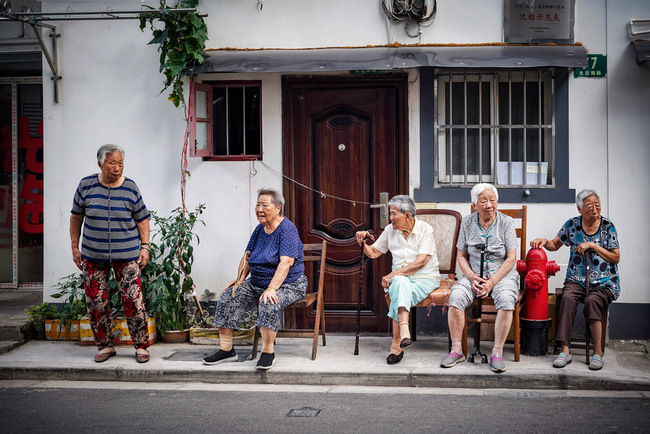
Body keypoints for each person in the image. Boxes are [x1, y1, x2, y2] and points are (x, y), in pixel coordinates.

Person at [203, 188, 307, 370]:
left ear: (278, 208)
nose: (259, 209)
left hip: (288, 285)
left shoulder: (288, 229)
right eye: (257, 205)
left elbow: (286, 263)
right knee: (229, 296)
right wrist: (240, 279)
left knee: (268, 302)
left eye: (264, 205)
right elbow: (248, 256)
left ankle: (267, 352)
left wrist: (271, 289)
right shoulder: (260, 229)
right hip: (257, 282)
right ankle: (227, 350)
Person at [70, 144, 151, 363]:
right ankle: (105, 346)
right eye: (112, 163)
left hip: (127, 256)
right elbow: (76, 217)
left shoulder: (130, 188)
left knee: (134, 300)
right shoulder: (86, 185)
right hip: (93, 256)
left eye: (120, 163)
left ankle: (141, 347)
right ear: (100, 164)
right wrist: (75, 247)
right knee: (96, 303)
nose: (117, 168)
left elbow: (142, 219)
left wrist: (145, 247)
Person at [530, 189, 620, 371]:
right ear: (579, 210)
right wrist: (543, 241)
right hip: (576, 279)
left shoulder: (608, 227)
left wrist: (593, 246)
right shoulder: (572, 225)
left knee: (592, 301)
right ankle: (565, 350)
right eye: (589, 207)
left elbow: (615, 257)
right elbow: (555, 245)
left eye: (597, 205)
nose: (595, 210)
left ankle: (598, 353)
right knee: (568, 299)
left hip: (605, 281)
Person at [440, 183, 518, 373]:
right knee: (456, 296)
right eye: (483, 201)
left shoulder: (506, 222)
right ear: (474, 204)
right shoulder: (467, 222)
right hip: (473, 274)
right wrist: (471, 276)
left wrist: (492, 282)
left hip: (501, 276)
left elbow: (511, 257)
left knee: (507, 299)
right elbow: (461, 255)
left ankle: (497, 353)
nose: (489, 205)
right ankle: (457, 350)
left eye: (492, 200)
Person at [355, 195, 440, 365]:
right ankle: (404, 331)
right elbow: (373, 253)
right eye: (390, 214)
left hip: (425, 278)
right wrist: (362, 243)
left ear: (407, 215)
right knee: (400, 284)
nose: (390, 217)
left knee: (398, 285)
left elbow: (421, 262)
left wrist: (392, 275)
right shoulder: (389, 231)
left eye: (393, 214)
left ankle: (396, 345)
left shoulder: (425, 229)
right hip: (400, 281)